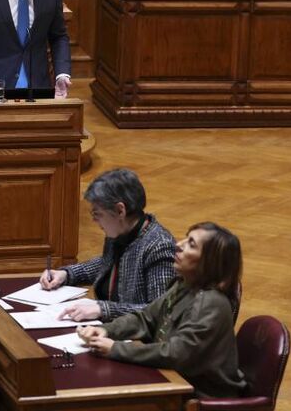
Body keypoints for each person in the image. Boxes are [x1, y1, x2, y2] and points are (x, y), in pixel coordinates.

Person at [78, 221, 246, 398]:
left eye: (191, 244)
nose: (178, 245)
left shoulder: (211, 303)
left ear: (210, 261)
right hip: (172, 381)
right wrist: (106, 330)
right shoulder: (185, 285)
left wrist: (115, 349)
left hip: (200, 396)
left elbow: (177, 354)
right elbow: (145, 318)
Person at [40, 168, 177, 321]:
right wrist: (67, 274)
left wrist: (102, 309)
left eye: (97, 214)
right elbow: (109, 264)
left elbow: (159, 312)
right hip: (111, 329)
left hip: (136, 340)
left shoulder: (159, 246)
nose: (94, 220)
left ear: (120, 211)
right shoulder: (121, 231)